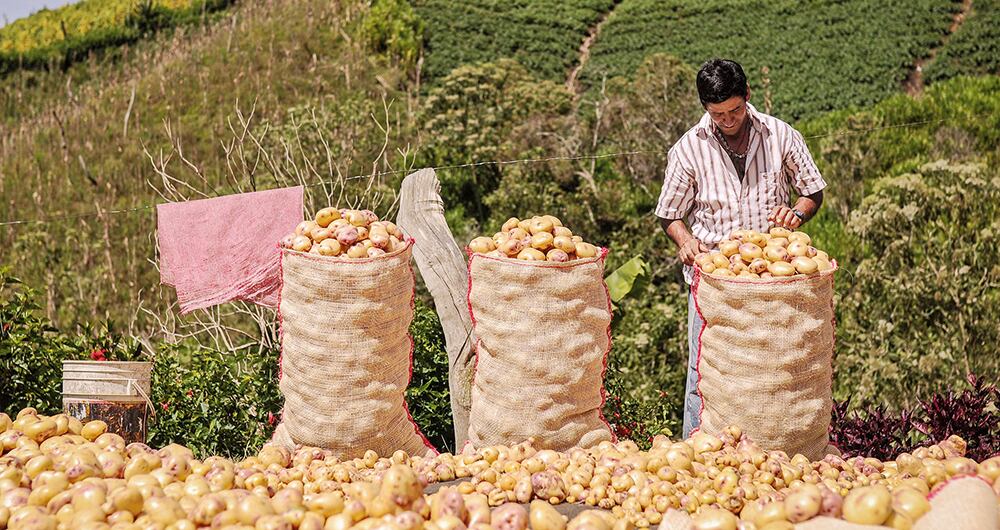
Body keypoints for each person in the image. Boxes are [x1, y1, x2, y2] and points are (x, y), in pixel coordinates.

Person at [655, 58, 827, 438]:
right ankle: (697, 446)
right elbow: (670, 215)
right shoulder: (688, 150)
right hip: (714, 283)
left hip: (774, 281)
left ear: (747, 95)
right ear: (705, 107)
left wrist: (796, 214)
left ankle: (774, 443)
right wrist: (686, 241)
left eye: (734, 110)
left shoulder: (781, 136)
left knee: (777, 369)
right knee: (705, 371)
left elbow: (812, 191)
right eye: (718, 114)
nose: (728, 120)